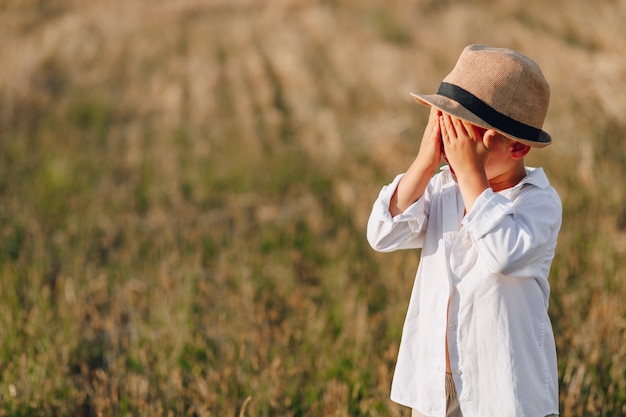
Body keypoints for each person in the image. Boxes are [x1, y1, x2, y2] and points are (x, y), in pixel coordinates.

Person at [366, 45, 562, 417]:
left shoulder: (538, 202)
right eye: (445, 130)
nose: (453, 150)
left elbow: (503, 255)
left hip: (504, 391)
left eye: (464, 139)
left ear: (517, 146)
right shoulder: (444, 188)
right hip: (437, 390)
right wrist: (425, 162)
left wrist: (472, 174)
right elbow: (383, 233)